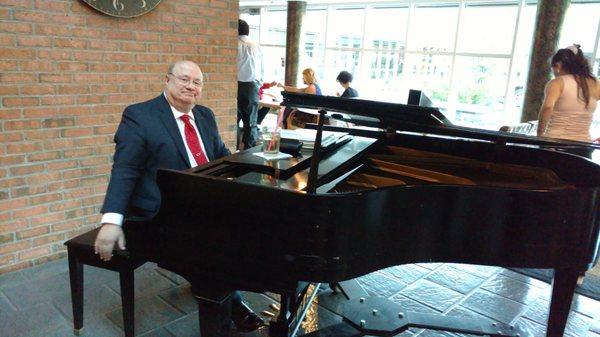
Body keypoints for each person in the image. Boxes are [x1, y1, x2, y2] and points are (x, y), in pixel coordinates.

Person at [94, 60, 264, 336]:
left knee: (248, 221)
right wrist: (111, 220)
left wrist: (258, 163)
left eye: (197, 82)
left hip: (204, 203)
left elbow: (223, 156)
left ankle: (231, 280)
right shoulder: (140, 115)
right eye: (184, 79)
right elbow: (125, 169)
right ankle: (229, 299)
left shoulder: (205, 115)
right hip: (159, 211)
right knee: (214, 243)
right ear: (167, 80)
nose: (190, 86)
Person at [537, 44, 600, 144]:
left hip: (555, 143)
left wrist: (539, 134)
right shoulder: (595, 83)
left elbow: (548, 107)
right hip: (584, 145)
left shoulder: (557, 83)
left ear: (558, 65)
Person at [237, 19, 263, 150]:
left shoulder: (234, 45)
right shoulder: (256, 45)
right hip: (253, 86)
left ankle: (232, 150)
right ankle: (249, 153)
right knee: (251, 122)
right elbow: (261, 68)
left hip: (235, 86)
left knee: (233, 121)